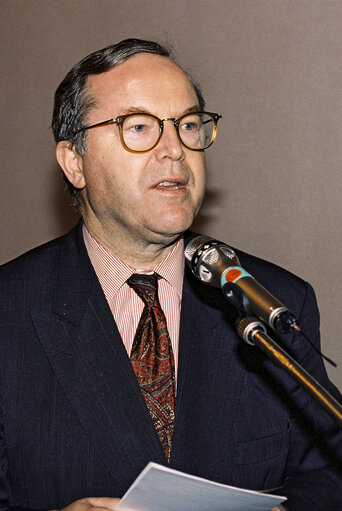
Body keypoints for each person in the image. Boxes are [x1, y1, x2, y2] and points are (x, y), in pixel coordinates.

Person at [0, 38, 341, 511]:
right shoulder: (10, 311)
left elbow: (326, 476)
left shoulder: (272, 298)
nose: (175, 150)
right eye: (138, 127)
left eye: (187, 125)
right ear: (74, 163)